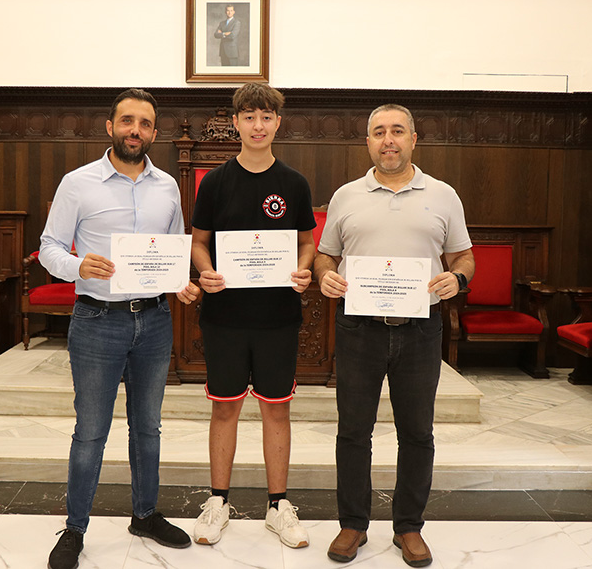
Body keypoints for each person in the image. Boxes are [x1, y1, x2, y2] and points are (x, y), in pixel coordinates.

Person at [39, 88, 200, 569]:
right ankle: (74, 528)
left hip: (153, 320)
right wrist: (77, 266)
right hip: (96, 321)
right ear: (110, 127)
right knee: (91, 431)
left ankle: (145, 514)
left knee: (147, 427)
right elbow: (49, 248)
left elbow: (172, 250)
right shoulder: (78, 182)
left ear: (155, 132)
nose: (136, 130)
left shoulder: (167, 186)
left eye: (145, 123)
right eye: (127, 120)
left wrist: (182, 285)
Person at [314, 104, 475, 567]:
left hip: (421, 330)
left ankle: (408, 527)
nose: (389, 140)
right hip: (358, 328)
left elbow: (464, 257)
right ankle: (353, 524)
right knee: (353, 431)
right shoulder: (346, 196)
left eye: (397, 131)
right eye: (379, 132)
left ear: (413, 139)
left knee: (418, 432)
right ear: (367, 142)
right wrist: (326, 277)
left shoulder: (443, 196)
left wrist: (457, 280)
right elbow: (326, 257)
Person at [190, 82, 316, 549]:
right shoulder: (215, 182)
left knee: (276, 409)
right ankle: (218, 501)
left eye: (266, 117)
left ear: (277, 123)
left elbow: (306, 241)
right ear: (236, 123)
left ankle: (278, 506)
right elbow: (199, 242)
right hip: (224, 316)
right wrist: (205, 272)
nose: (258, 125)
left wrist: (303, 270)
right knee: (224, 407)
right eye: (249, 117)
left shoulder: (294, 184)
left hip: (278, 317)